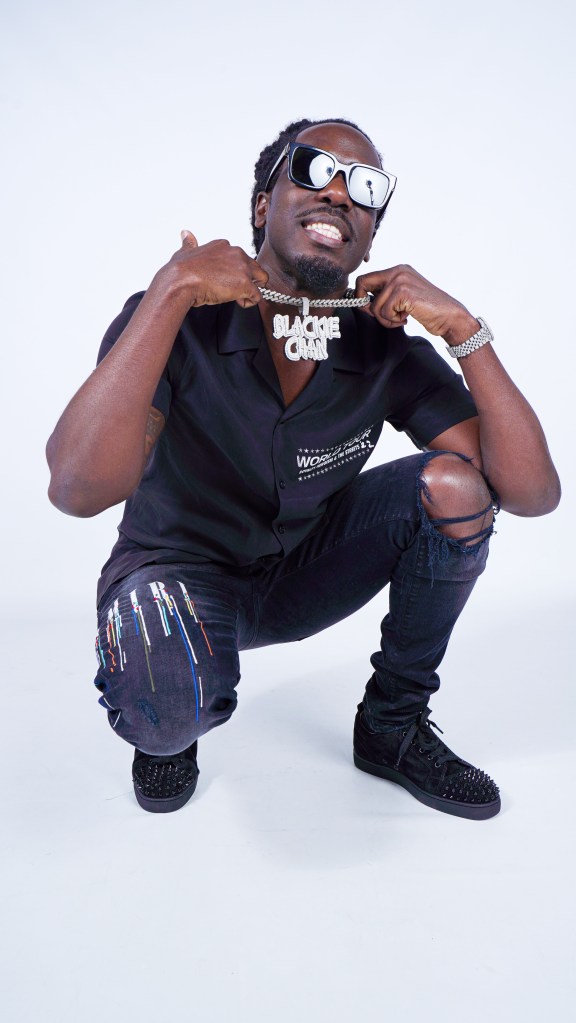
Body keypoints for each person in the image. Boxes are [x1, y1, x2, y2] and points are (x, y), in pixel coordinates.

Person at [46, 117, 560, 819]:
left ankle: (392, 726)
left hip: (303, 573)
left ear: (370, 235)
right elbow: (77, 488)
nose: (340, 194)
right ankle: (170, 723)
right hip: (177, 576)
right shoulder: (176, 318)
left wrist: (464, 330)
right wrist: (171, 291)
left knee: (456, 487)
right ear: (264, 205)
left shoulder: (379, 345)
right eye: (315, 170)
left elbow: (531, 492)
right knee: (164, 711)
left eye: (366, 189)